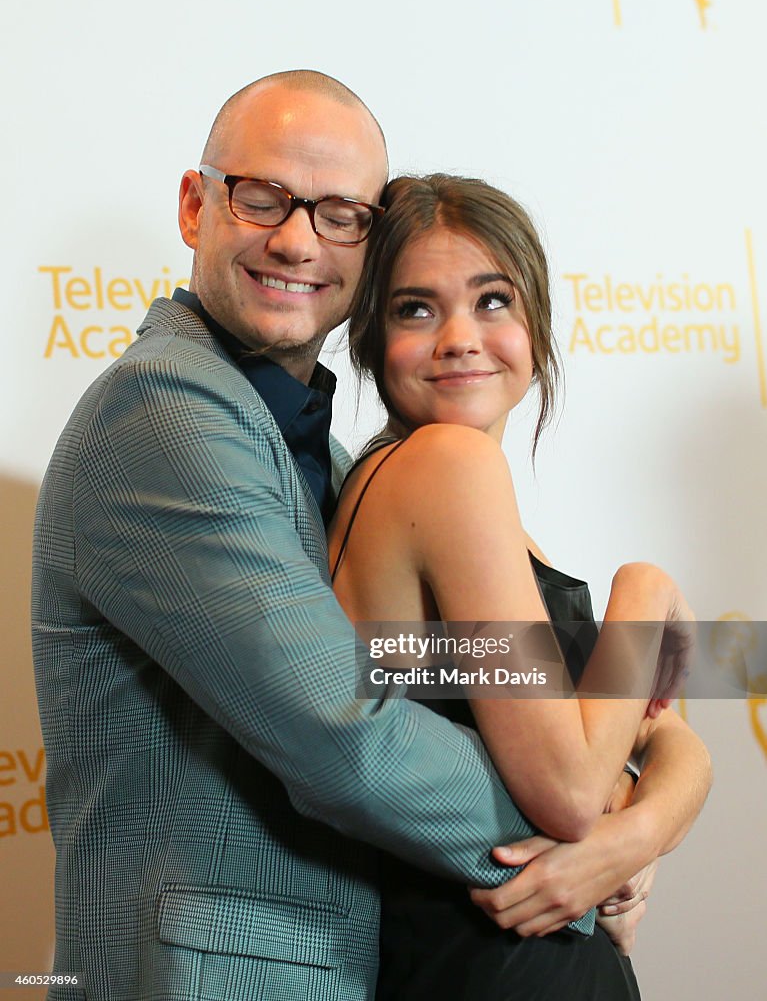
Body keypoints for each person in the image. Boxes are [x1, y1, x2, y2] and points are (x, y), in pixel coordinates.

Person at [31, 71, 709, 1001]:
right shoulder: (164, 412)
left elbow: (647, 718)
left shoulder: (345, 469)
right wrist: (597, 832)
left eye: (340, 212)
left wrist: (645, 812)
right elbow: (345, 733)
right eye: (262, 196)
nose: (298, 239)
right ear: (196, 206)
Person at [330, 172, 712, 999]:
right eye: (415, 308)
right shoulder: (442, 467)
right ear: (368, 341)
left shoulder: (459, 501)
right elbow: (572, 791)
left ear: (535, 325)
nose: (459, 337)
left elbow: (670, 744)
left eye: (492, 300)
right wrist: (643, 596)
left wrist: (633, 835)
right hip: (488, 967)